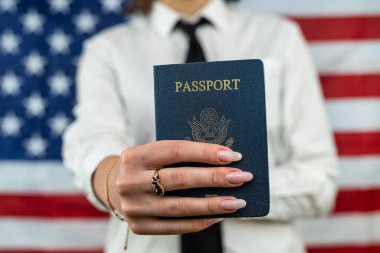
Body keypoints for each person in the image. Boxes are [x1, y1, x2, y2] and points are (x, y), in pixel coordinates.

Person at [63, 0, 338, 252]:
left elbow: (320, 181)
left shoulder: (280, 37)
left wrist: (218, 188)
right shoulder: (108, 49)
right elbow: (94, 137)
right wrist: (113, 181)